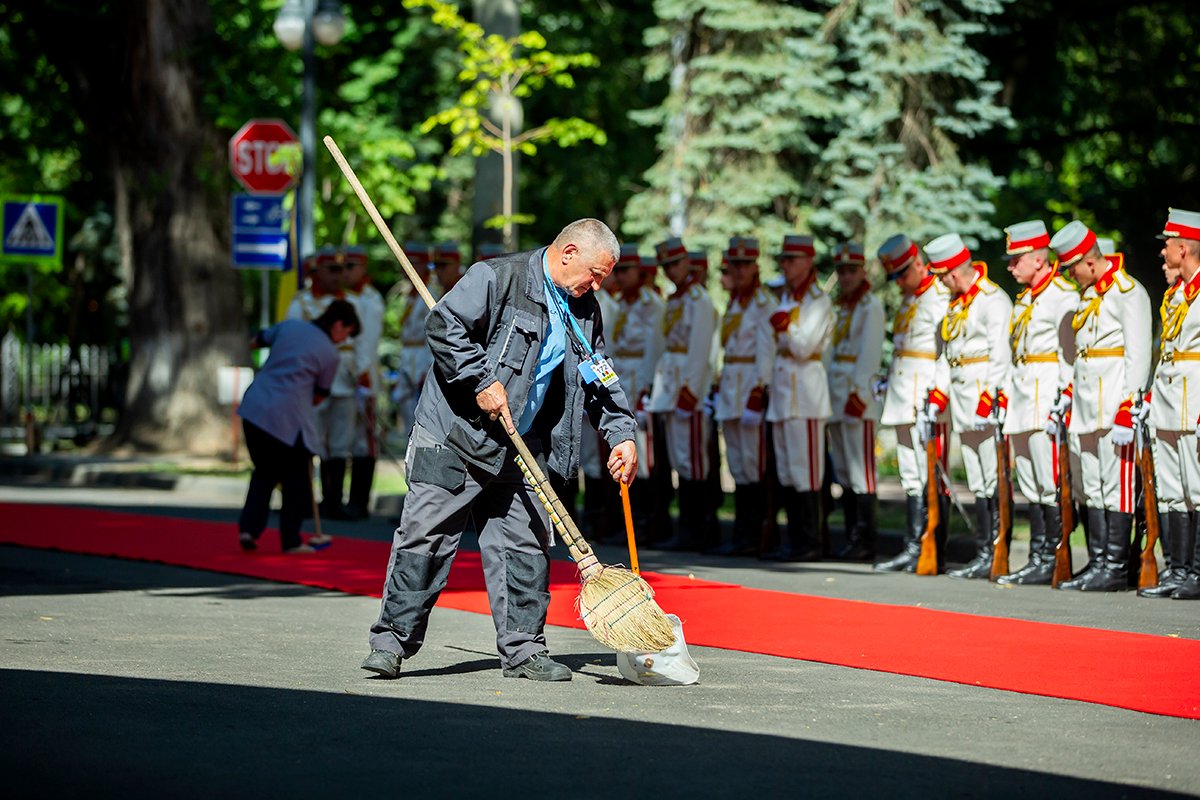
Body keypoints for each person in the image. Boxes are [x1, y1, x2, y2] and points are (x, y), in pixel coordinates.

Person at [362, 219, 638, 681]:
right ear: (568, 252)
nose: (596, 285)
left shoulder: (585, 308)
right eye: (595, 273)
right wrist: (480, 381)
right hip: (453, 435)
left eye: (602, 278)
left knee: (525, 544)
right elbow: (444, 326)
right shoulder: (496, 277)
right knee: (425, 537)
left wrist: (621, 432)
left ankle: (525, 650)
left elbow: (598, 373)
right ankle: (391, 642)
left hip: (521, 443)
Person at [1049, 220, 1151, 591]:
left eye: (1072, 268)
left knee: (1118, 486)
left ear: (1090, 263)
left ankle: (1117, 567)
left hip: (1114, 406)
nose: (1070, 276)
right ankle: (1098, 562)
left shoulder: (1128, 292)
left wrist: (1130, 404)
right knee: (1092, 485)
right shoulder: (1089, 295)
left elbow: (1138, 354)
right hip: (1087, 405)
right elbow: (1083, 357)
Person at [922, 233, 1013, 580]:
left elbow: (1000, 354)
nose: (942, 284)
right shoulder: (956, 303)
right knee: (976, 478)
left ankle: (996, 549)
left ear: (954, 273)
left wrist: (991, 397)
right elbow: (950, 355)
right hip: (962, 396)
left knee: (992, 475)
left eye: (942, 277)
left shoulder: (993, 300)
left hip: (982, 396)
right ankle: (982, 550)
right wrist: (938, 395)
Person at [237, 300, 361, 553]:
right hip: (287, 417)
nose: (344, 339)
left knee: (264, 472)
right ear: (338, 324)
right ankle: (291, 540)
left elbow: (256, 341)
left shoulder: (290, 326)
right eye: (346, 332)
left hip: (254, 406)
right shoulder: (329, 354)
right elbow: (319, 396)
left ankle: (249, 529)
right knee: (296, 478)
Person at [994, 221, 1077, 585]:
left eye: (1016, 260)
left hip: (1046, 395)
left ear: (1038, 259)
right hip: (1023, 396)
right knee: (1029, 480)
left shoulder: (1063, 295)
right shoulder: (1025, 298)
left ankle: (1054, 556)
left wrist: (1065, 397)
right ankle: (1039, 555)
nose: (1011, 267)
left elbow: (1068, 356)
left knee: (1050, 480)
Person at [875, 235, 951, 572]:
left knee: (928, 473)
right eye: (896, 277)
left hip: (924, 395)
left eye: (904, 274)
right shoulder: (910, 300)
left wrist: (938, 394)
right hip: (903, 394)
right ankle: (912, 544)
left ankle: (931, 544)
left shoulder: (938, 297)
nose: (901, 282)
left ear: (919, 263)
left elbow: (944, 352)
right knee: (909, 472)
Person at [763, 234, 833, 561]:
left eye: (792, 259)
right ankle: (795, 540)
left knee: (807, 472)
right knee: (789, 472)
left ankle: (812, 541)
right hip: (783, 393)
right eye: (784, 260)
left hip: (805, 394)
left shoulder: (818, 300)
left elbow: (805, 347)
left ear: (808, 261)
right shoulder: (788, 299)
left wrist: (785, 329)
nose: (786, 265)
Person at [647, 237, 718, 550]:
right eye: (666, 266)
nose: (671, 271)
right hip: (670, 384)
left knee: (692, 461)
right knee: (678, 459)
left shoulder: (698, 300)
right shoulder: (676, 300)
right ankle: (687, 528)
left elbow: (700, 348)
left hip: (688, 387)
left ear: (687, 262)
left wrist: (690, 387)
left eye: (675, 264)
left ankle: (698, 529)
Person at [1144, 209, 1200, 599]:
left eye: (1167, 243)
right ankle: (1178, 569)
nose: (1163, 251)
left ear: (1184, 248)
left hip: (1193, 400)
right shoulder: (1176, 294)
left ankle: (1197, 572)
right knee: (1173, 489)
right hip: (1168, 401)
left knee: (1196, 488)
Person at [709, 237, 774, 556]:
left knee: (753, 463)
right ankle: (742, 532)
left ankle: (758, 533)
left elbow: (766, 349)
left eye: (742, 265)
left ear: (754, 268)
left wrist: (759, 388)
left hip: (749, 385)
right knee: (736, 463)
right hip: (732, 386)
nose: (736, 271)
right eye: (733, 265)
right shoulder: (734, 302)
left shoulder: (763, 303)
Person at [286, 245, 359, 520]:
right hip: (313, 380)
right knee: (309, 439)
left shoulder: (352, 301)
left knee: (341, 442)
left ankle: (333, 500)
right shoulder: (301, 304)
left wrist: (363, 371)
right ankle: (305, 499)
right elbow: (293, 342)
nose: (337, 276)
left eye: (341, 270)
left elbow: (360, 340)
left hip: (345, 378)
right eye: (331, 270)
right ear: (316, 272)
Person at [826, 242, 885, 560]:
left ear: (863, 271)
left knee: (862, 471)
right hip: (837, 394)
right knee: (846, 472)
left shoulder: (869, 306)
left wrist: (860, 395)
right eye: (841, 272)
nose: (846, 277)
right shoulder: (845, 306)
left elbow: (870, 354)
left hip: (855, 397)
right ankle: (852, 536)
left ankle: (867, 539)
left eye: (851, 271)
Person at [606, 243, 666, 535]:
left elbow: (654, 350)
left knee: (645, 454)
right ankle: (628, 519)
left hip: (640, 384)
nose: (621, 276)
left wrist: (644, 388)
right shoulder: (623, 305)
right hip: (623, 379)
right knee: (624, 453)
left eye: (627, 270)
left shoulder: (652, 305)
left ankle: (650, 520)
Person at [343, 246, 385, 520]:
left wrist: (361, 372)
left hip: (363, 376)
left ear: (363, 268)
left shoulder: (371, 300)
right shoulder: (346, 297)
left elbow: (367, 342)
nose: (345, 273)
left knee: (364, 440)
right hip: (343, 375)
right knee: (344, 439)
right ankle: (345, 499)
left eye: (350, 267)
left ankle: (360, 500)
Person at [392, 241, 435, 452]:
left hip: (422, 359)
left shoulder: (430, 292)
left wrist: (427, 367)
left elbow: (433, 333)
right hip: (409, 357)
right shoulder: (410, 295)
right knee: (406, 410)